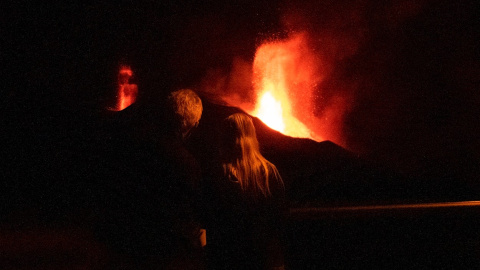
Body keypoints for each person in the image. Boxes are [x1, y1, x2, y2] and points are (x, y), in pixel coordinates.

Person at [97, 88, 204, 270]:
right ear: (192, 124)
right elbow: (184, 211)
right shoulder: (186, 164)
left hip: (127, 240)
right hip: (163, 249)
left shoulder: (136, 145)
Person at [203, 113, 286, 270]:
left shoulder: (216, 174)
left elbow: (208, 214)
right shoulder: (269, 172)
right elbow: (280, 214)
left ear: (225, 138)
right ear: (252, 135)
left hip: (227, 256)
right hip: (265, 255)